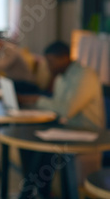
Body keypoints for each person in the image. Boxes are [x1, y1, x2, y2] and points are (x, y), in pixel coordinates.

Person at [18, 41, 105, 199]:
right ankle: (37, 192)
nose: (48, 67)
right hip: (69, 128)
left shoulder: (86, 75)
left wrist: (38, 99)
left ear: (64, 58)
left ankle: (38, 192)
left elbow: (67, 110)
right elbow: (56, 110)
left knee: (42, 148)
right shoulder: (60, 78)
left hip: (87, 132)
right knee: (30, 137)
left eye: (51, 62)